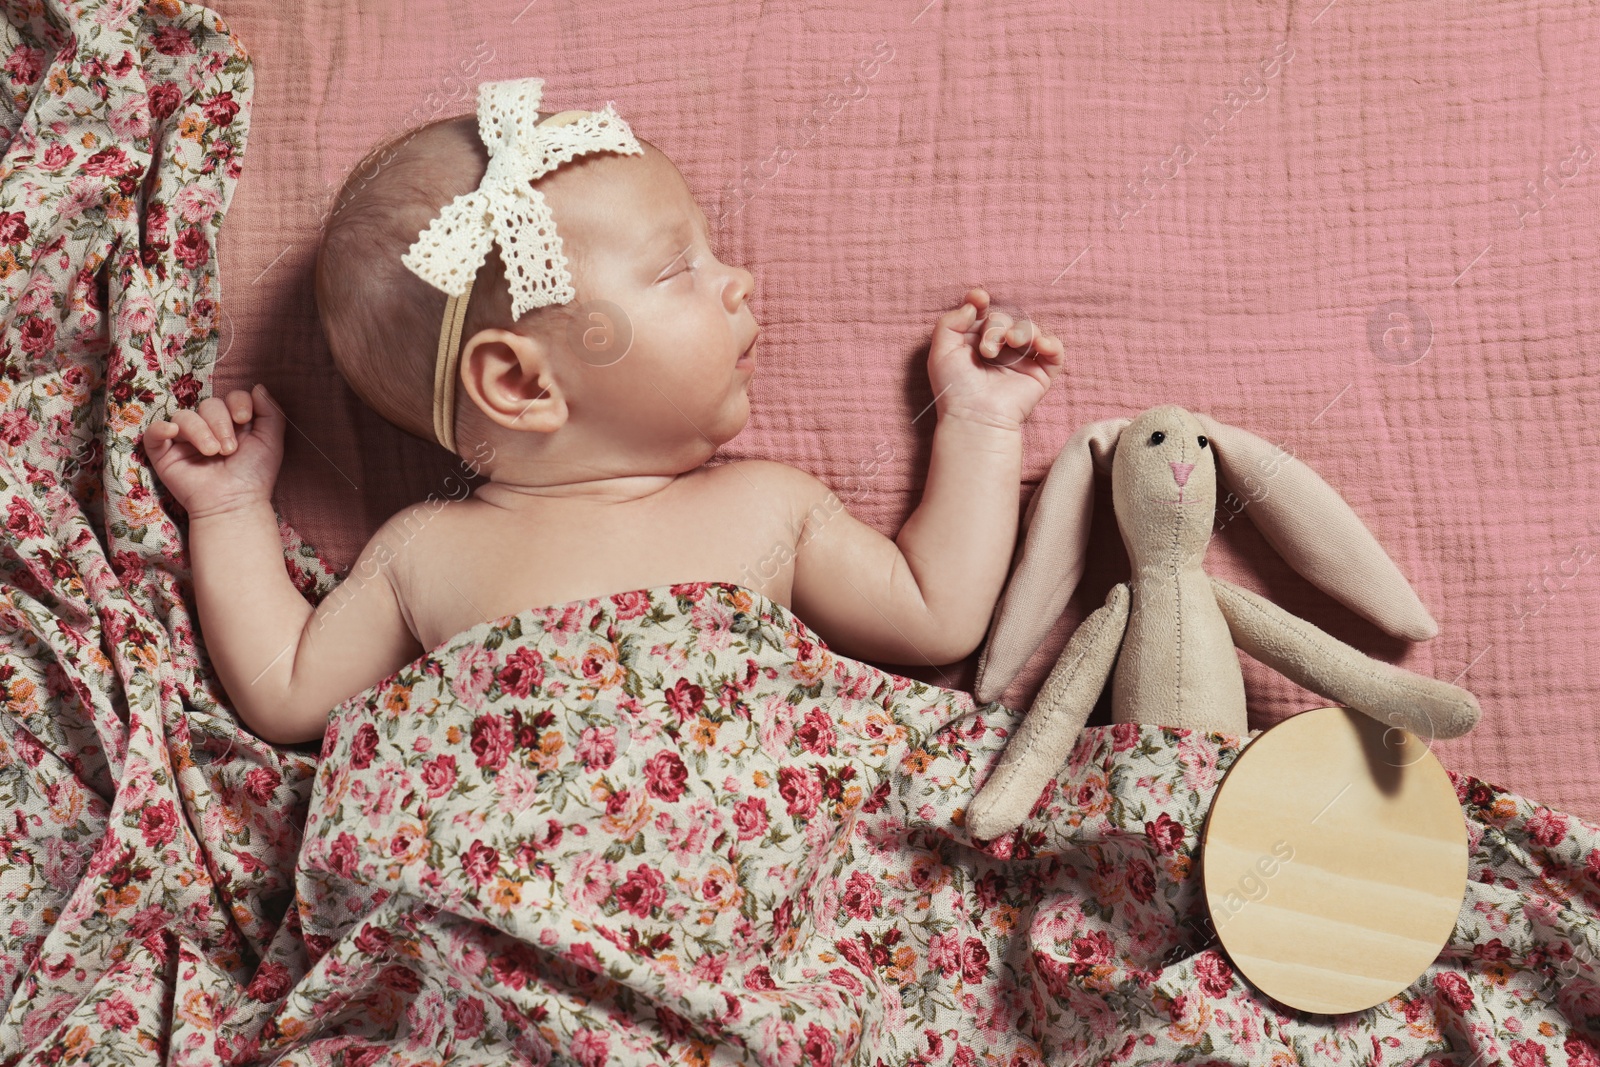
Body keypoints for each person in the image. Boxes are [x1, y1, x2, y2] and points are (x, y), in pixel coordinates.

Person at [141, 78, 1065, 745]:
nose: (738, 280)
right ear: (524, 384)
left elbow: (937, 613)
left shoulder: (771, 506)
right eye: (678, 269)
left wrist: (978, 420)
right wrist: (229, 512)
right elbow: (289, 694)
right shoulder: (420, 549)